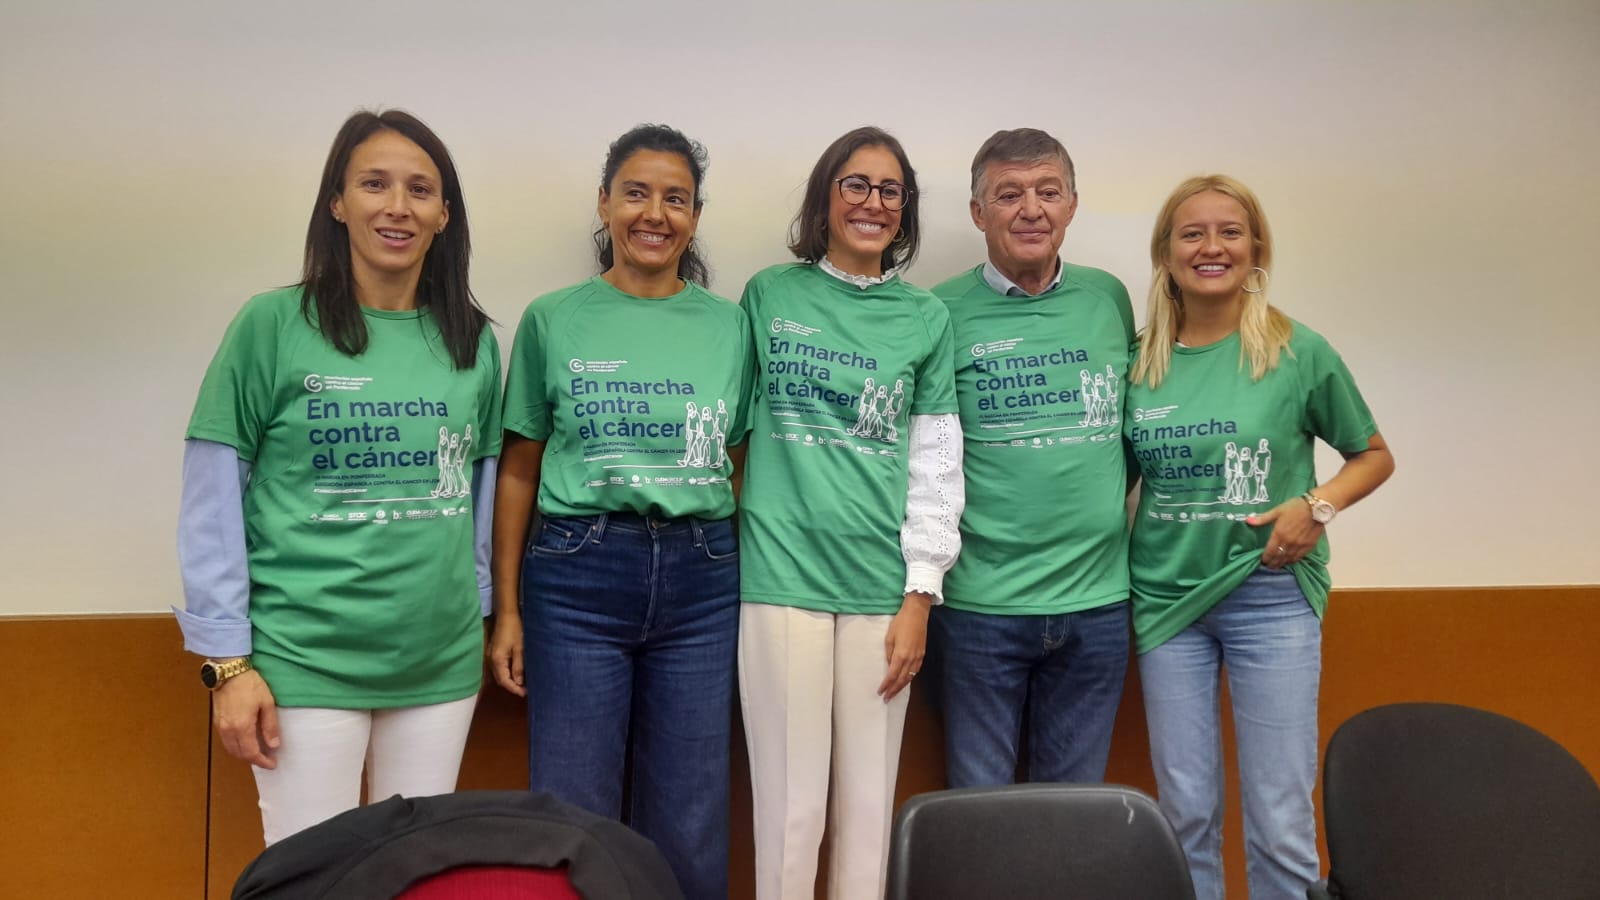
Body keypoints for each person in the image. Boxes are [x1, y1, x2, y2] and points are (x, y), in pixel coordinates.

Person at [176, 109, 502, 845]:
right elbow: (211, 498)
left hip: (438, 668)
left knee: (413, 873)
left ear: (444, 214)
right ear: (337, 202)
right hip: (303, 663)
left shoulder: (473, 342)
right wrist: (227, 664)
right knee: (312, 878)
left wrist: (478, 611)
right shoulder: (270, 325)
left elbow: (476, 498)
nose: (397, 206)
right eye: (374, 184)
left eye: (421, 189)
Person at [489, 124, 751, 900]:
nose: (655, 213)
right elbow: (518, 473)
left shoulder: (729, 325)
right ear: (604, 203)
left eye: (676, 199)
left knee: (691, 814)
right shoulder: (552, 318)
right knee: (573, 813)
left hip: (702, 583)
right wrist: (506, 610)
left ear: (695, 217)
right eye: (636, 192)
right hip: (575, 579)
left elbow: (732, 457)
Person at [1125, 175, 1395, 900]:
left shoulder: (1297, 351)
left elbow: (1373, 456)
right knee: (1184, 815)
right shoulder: (1138, 362)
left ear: (1255, 250)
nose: (1212, 247)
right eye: (1193, 233)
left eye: (1230, 232)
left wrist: (1318, 505)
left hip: (1271, 598)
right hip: (1164, 605)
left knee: (1278, 816)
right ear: (1165, 253)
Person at [737, 125, 963, 900]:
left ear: (906, 210)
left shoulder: (926, 318)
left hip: (881, 594)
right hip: (781, 583)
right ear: (824, 200)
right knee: (792, 817)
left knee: (868, 820)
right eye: (855, 185)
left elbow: (936, 465)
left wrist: (920, 594)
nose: (872, 202)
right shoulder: (770, 294)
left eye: (889, 190)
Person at [930, 128, 1135, 789]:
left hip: (1097, 606)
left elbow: (1128, 437)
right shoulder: (938, 312)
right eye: (1008, 193)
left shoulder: (1109, 298)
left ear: (1072, 204)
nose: (1031, 209)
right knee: (978, 817)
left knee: (1074, 823)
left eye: (1048, 191)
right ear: (976, 212)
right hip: (979, 610)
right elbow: (924, 456)